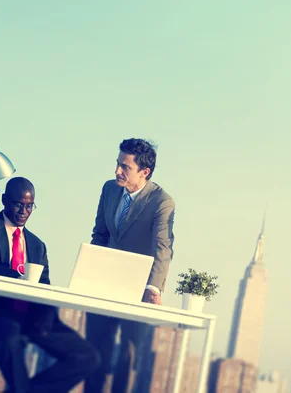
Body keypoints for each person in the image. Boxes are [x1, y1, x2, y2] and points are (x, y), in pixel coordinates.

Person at [0, 177, 100, 393]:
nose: (24, 211)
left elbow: (44, 286)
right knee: (9, 336)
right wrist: (17, 277)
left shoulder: (37, 245)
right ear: (5, 201)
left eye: (29, 206)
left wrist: (46, 315)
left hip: (30, 316)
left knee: (87, 357)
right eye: (18, 204)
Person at [84, 138, 175, 393]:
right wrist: (89, 273)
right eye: (117, 164)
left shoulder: (161, 202)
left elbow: (163, 248)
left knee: (129, 357)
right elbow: (100, 234)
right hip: (103, 283)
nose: (117, 171)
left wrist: (153, 289)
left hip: (138, 289)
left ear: (144, 172)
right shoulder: (109, 189)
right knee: (95, 351)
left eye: (125, 167)